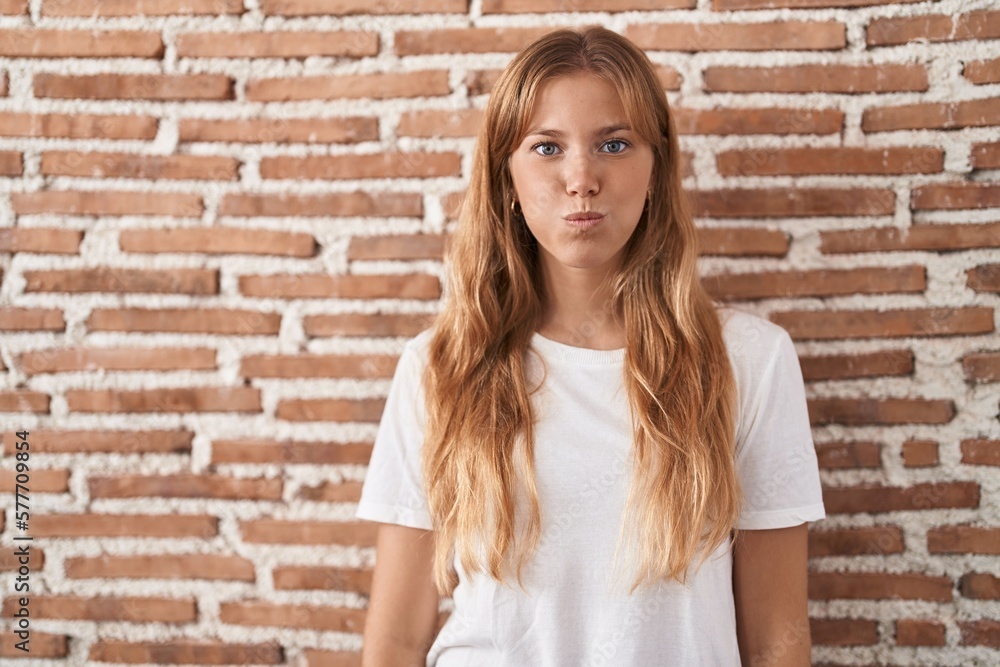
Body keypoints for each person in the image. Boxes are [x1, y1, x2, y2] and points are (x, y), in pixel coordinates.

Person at [355, 26, 825, 667]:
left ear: (657, 167)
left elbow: (777, 638)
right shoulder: (440, 368)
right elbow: (397, 641)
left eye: (614, 143)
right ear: (507, 181)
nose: (581, 178)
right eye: (546, 147)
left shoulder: (750, 361)